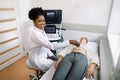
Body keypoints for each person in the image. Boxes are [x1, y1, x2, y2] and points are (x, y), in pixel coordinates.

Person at [27, 7, 80, 72]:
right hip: (37, 60)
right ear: (34, 22)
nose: (43, 23)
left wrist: (52, 56)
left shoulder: (41, 30)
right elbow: (51, 46)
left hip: (41, 55)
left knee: (58, 61)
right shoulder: (36, 34)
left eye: (43, 20)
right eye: (39, 21)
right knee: (60, 65)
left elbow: (44, 46)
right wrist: (69, 41)